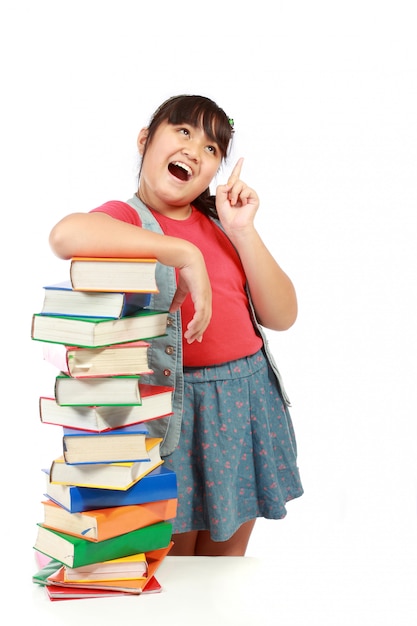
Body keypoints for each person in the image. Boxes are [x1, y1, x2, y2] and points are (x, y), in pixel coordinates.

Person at [49, 94, 303, 556]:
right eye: (183, 132)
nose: (195, 150)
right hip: (173, 413)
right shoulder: (127, 219)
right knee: (175, 560)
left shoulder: (219, 224)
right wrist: (182, 252)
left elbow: (282, 315)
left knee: (225, 564)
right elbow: (65, 235)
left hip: (245, 403)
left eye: (212, 149)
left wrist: (243, 230)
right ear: (146, 140)